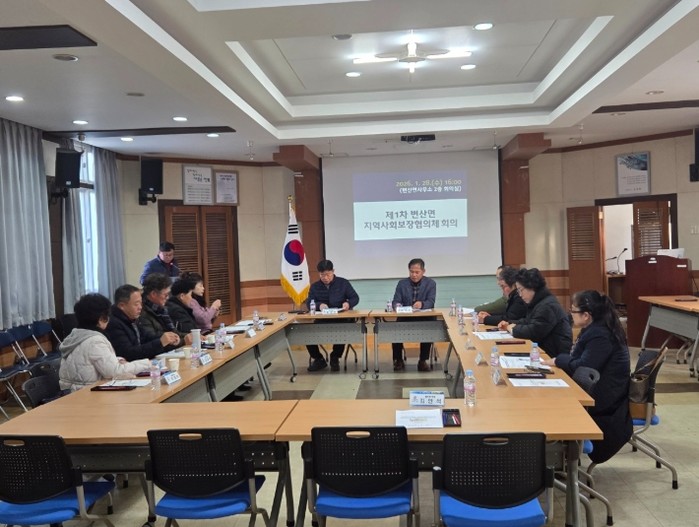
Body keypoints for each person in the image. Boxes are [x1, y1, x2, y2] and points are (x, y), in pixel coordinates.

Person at [547, 290, 632, 463]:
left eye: (573, 310)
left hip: (604, 399)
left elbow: (583, 367)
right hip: (600, 390)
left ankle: (555, 458)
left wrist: (558, 360)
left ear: (586, 315)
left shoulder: (601, 335)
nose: (570, 314)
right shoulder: (596, 329)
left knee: (551, 403)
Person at [58, 293, 150, 392]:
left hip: (73, 392)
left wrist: (117, 360)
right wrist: (147, 363)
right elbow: (114, 371)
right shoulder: (95, 341)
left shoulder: (76, 335)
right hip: (87, 394)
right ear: (101, 318)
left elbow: (89, 358)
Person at [497, 267, 572, 357]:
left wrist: (512, 328)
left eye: (521, 290)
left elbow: (534, 332)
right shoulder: (538, 302)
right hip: (542, 350)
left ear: (531, 287)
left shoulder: (547, 306)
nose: (520, 295)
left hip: (553, 356)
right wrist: (510, 323)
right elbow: (528, 321)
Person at [305, 259, 360, 372]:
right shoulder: (315, 287)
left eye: (328, 274)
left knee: (342, 330)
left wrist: (348, 304)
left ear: (333, 271)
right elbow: (309, 302)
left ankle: (335, 357)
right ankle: (318, 359)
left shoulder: (343, 283)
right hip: (322, 320)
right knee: (306, 333)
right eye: (322, 275)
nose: (325, 278)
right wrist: (319, 305)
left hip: (341, 319)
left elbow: (355, 298)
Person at [106, 284, 181, 361]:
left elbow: (147, 338)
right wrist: (160, 342)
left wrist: (169, 339)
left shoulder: (133, 318)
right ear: (122, 305)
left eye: (141, 303)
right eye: (136, 304)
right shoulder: (113, 324)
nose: (140, 307)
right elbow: (129, 354)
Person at [391, 258, 437, 372]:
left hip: (424, 317)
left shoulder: (431, 283)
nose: (414, 275)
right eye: (411, 272)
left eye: (417, 272)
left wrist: (422, 304)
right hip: (406, 317)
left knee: (428, 329)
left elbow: (431, 302)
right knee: (395, 330)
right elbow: (396, 301)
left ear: (423, 271)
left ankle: (422, 361)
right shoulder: (402, 283)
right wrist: (397, 305)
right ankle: (398, 360)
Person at [140, 273, 192, 345]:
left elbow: (174, 333)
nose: (167, 298)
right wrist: (183, 341)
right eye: (165, 295)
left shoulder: (161, 309)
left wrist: (190, 336)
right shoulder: (141, 312)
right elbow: (155, 340)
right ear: (153, 294)